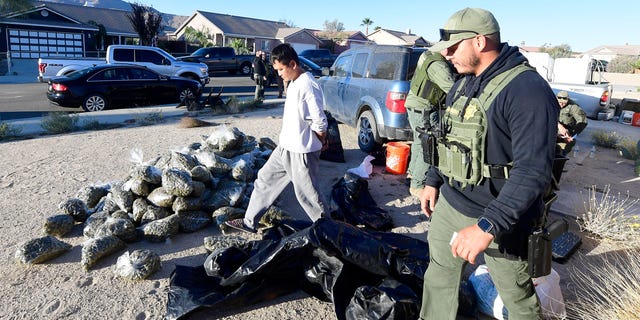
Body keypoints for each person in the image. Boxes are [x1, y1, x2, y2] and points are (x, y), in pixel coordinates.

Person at [418, 8, 559, 319]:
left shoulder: (527, 91)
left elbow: (533, 172)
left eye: (453, 48)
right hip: (452, 205)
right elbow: (447, 136)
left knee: (518, 300)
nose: (448, 56)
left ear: (479, 42)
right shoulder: (463, 82)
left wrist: (486, 226)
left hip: (501, 220)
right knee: (438, 280)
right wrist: (432, 179)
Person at [225, 43, 329, 233]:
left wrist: (319, 141)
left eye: (281, 69)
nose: (279, 74)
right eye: (277, 70)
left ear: (293, 64)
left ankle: (331, 233)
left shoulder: (309, 85)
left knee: (309, 196)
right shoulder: (294, 82)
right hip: (285, 147)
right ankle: (249, 222)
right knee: (264, 180)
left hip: (301, 151)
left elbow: (320, 121)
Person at [405, 50, 455, 197]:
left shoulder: (428, 54)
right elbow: (453, 90)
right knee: (428, 146)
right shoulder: (438, 65)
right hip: (424, 110)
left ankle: (412, 175)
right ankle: (417, 185)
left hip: (415, 107)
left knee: (418, 143)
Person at [556, 90, 588, 155]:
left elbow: (583, 122)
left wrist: (573, 135)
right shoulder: (552, 103)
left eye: (564, 103)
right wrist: (559, 125)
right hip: (554, 129)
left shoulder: (574, 107)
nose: (561, 104)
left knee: (571, 142)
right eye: (560, 102)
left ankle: (562, 155)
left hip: (566, 132)